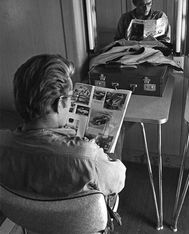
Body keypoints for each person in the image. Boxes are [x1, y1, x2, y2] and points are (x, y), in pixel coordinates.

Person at [0, 54, 126, 201]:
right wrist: (102, 151)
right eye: (71, 97)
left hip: (25, 218)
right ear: (60, 103)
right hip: (78, 223)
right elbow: (118, 181)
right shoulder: (87, 156)